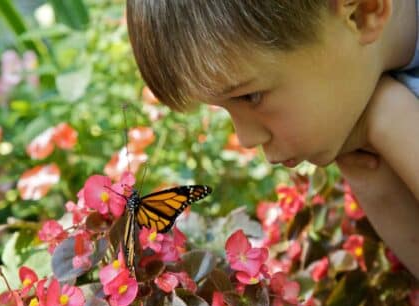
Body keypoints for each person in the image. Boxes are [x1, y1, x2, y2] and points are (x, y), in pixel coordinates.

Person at [126, 0, 419, 279]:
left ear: (363, 12)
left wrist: (391, 119)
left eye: (250, 96)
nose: (245, 138)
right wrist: (375, 139)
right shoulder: (354, 87)